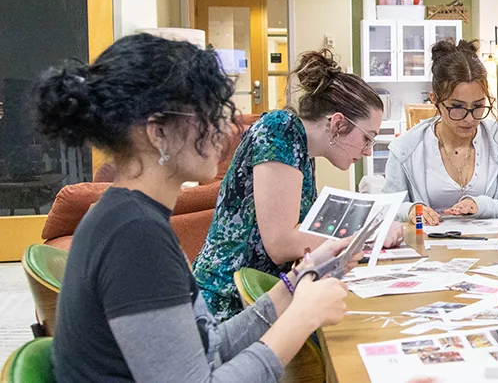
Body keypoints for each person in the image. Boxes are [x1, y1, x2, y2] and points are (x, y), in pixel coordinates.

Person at [39, 34, 350, 382]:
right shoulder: (135, 236)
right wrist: (303, 317)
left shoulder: (130, 217)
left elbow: (208, 348)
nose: (225, 128)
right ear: (157, 132)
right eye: (210, 115)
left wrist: (293, 284)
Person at [193, 49, 399, 321]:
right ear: (338, 124)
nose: (369, 151)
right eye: (367, 138)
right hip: (230, 302)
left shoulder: (301, 149)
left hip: (264, 295)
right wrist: (369, 235)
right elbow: (281, 243)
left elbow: (304, 230)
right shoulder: (280, 130)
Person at [383, 39, 498, 225]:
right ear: (435, 100)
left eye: (478, 106)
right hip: (428, 242)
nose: (469, 118)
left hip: (489, 243)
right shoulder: (405, 148)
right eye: (457, 107)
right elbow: (388, 207)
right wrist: (411, 211)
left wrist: (482, 206)